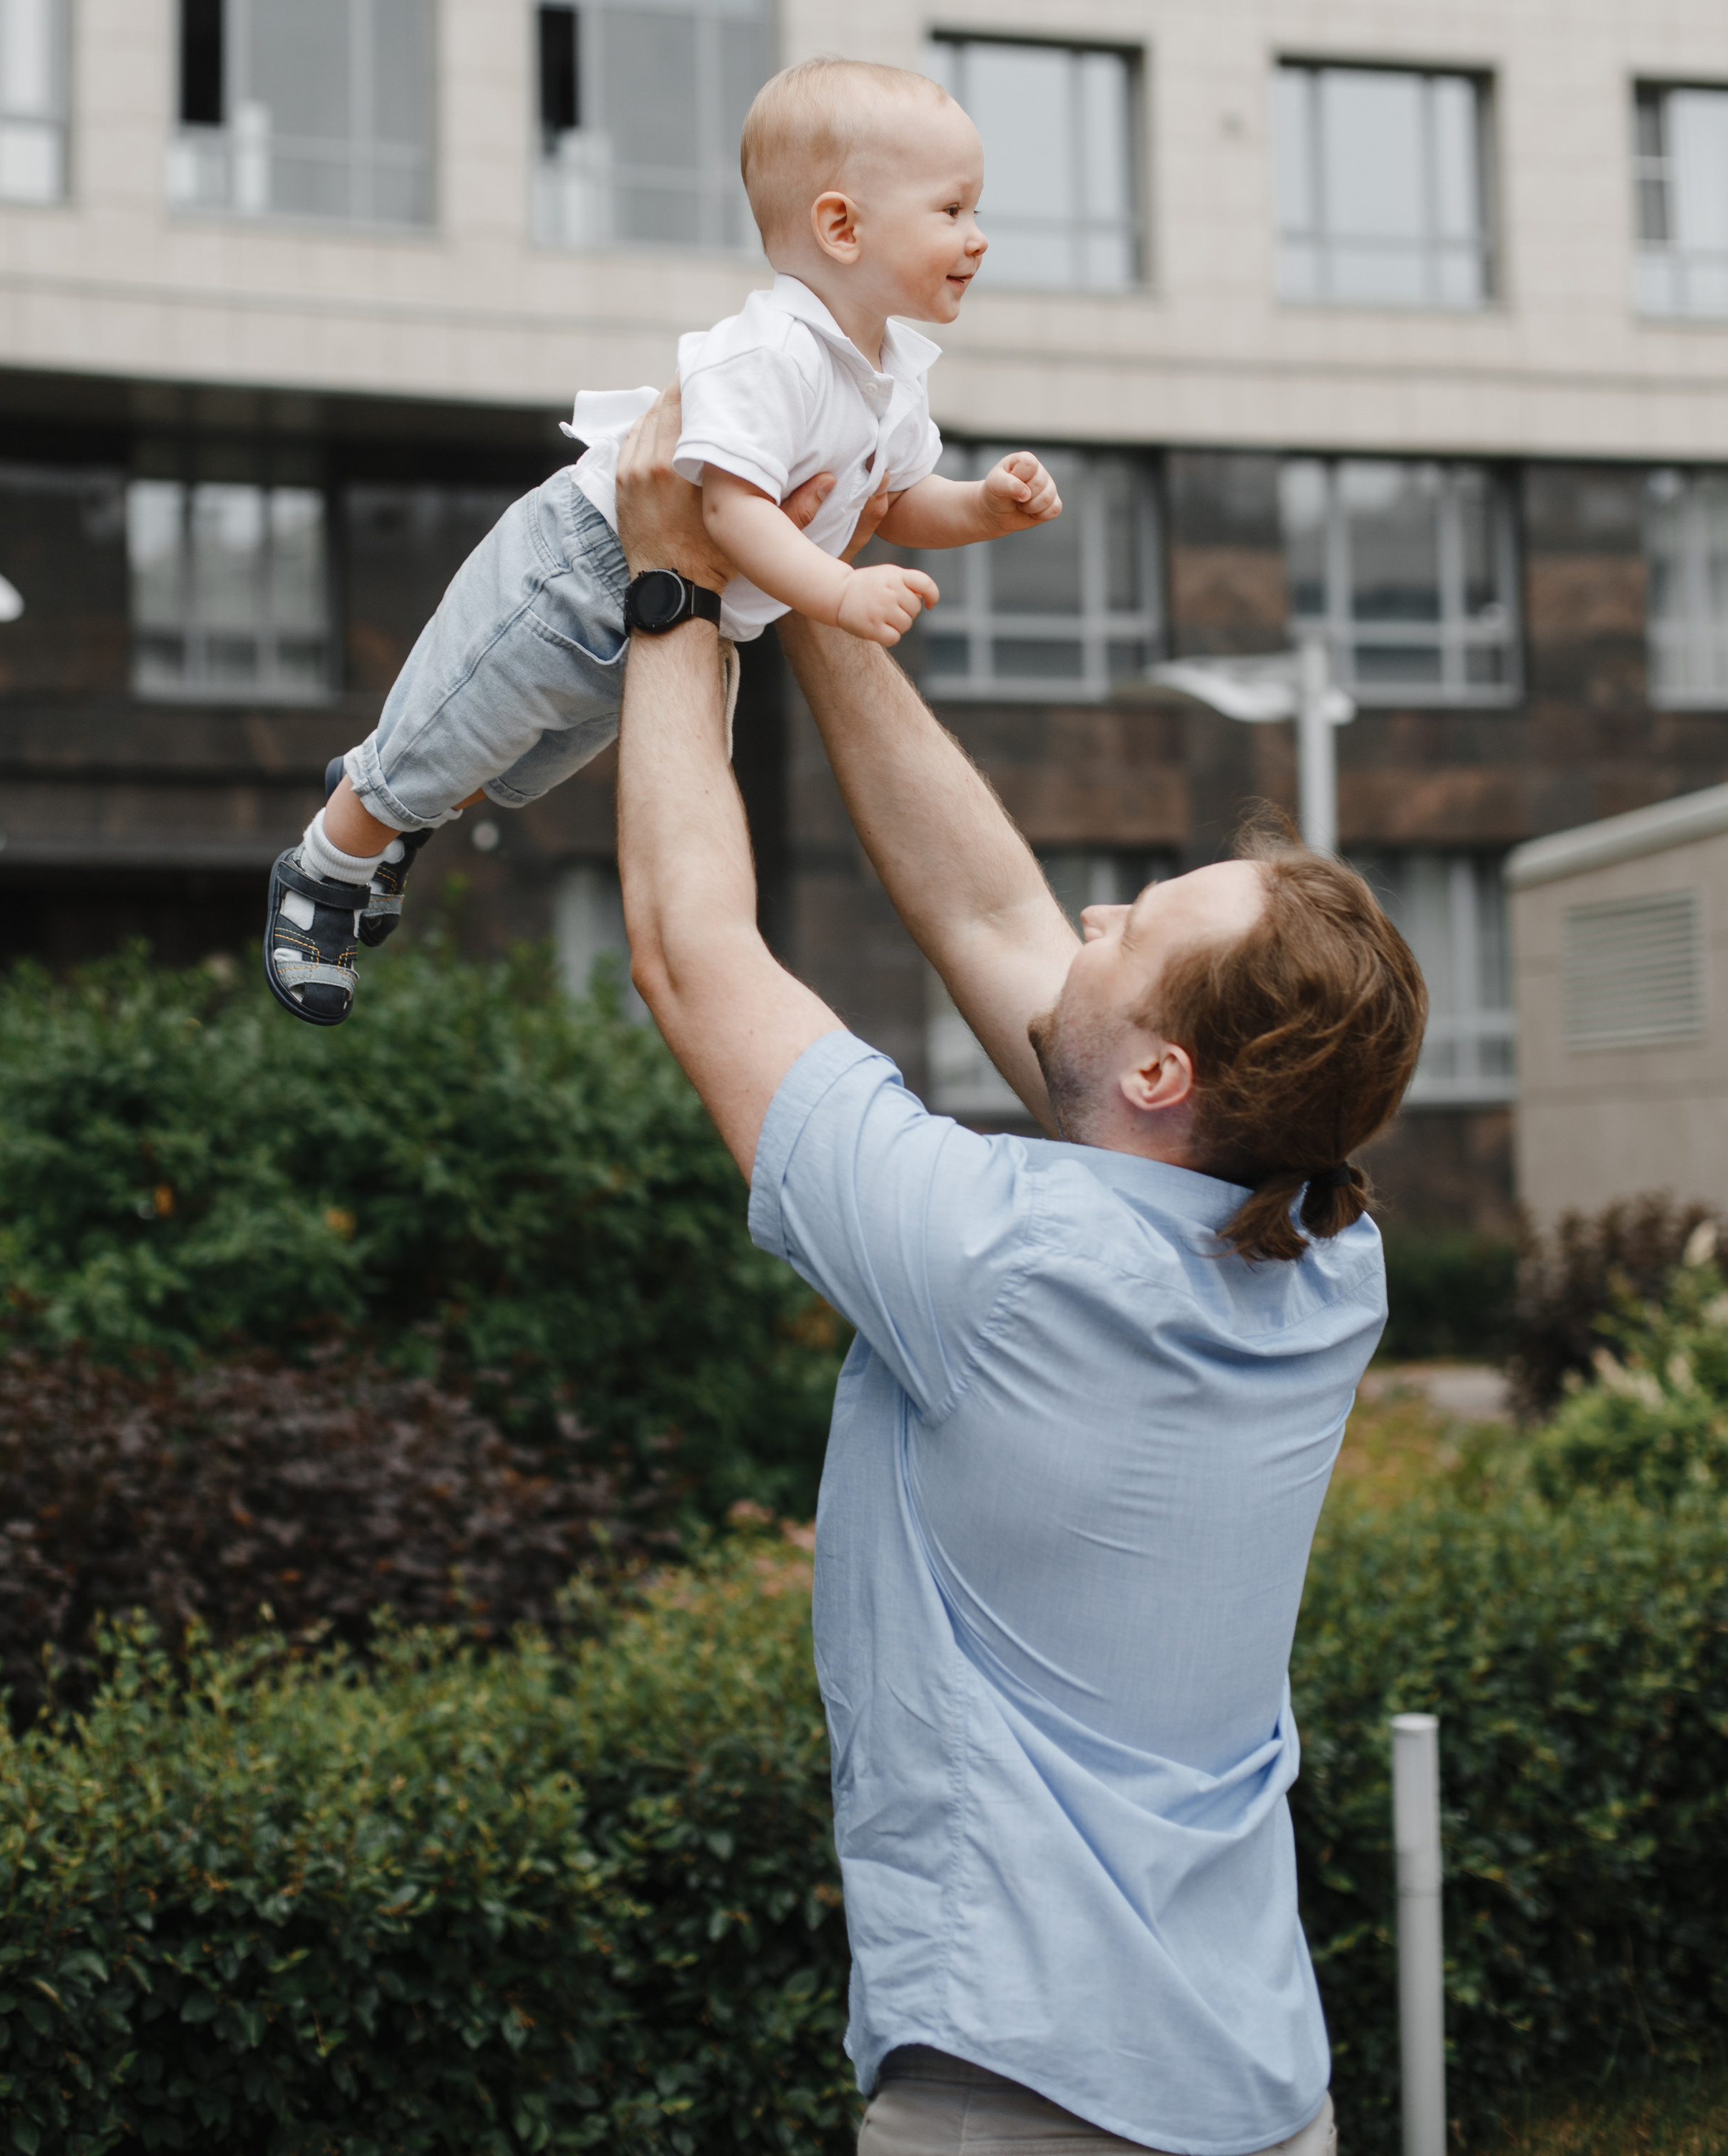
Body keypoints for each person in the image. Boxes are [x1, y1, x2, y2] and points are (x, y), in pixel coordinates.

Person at [608, 391, 1429, 2156]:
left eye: (1138, 919)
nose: (1092, 916)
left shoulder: (998, 1262)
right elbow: (992, 921)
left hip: (1023, 2104)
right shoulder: (1325, 1253)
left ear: (1160, 1083)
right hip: (1261, 2094)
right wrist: (821, 592)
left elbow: (692, 956)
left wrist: (676, 590)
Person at [261, 55, 1060, 1026]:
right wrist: (838, 595)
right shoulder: (773, 354)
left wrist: (983, 506)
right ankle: (326, 872)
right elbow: (729, 512)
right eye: (954, 211)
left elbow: (899, 499)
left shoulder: (890, 372)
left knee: (504, 764)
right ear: (842, 226)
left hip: (686, 610)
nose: (978, 239)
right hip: (584, 568)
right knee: (446, 734)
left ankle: (391, 812)